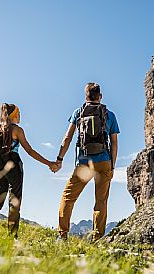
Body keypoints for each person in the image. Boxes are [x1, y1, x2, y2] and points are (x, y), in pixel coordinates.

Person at [55, 83, 120, 241]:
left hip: (84, 163)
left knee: (68, 198)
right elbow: (114, 143)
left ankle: (62, 236)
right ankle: (97, 239)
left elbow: (67, 138)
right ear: (100, 96)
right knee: (101, 201)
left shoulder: (79, 112)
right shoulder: (109, 115)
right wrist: (112, 166)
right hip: (104, 161)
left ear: (86, 96)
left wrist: (59, 159)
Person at [0, 103, 58, 238]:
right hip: (14, 167)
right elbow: (29, 151)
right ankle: (12, 237)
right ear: (14, 115)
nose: (19, 116)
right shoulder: (16, 130)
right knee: (14, 201)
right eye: (18, 114)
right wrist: (49, 163)